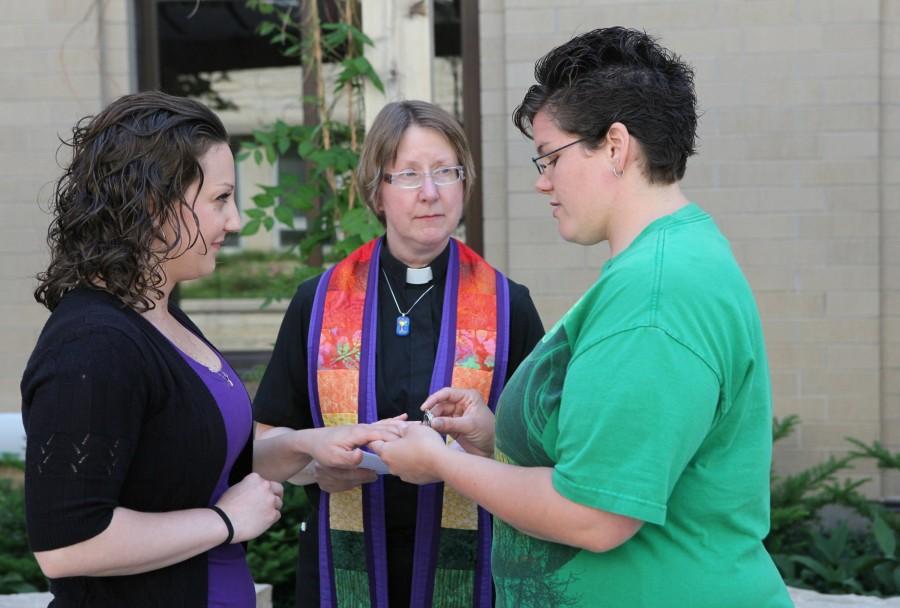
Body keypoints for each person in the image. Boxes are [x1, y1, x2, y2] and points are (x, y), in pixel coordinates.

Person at [371, 27, 793, 608]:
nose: (542, 180)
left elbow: (596, 515)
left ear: (615, 147)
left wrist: (439, 461)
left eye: (550, 156)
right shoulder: (663, 265)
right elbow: (616, 452)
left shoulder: (655, 295)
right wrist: (496, 440)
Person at [21, 90, 401, 608]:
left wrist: (306, 447)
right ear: (155, 205)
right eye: (221, 199)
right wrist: (224, 522)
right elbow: (67, 544)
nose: (237, 220)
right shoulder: (91, 345)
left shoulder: (158, 312)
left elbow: (194, 461)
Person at [252, 100, 544, 608]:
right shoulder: (318, 303)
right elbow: (262, 449)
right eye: (408, 175)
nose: (430, 193)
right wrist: (315, 460)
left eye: (445, 172)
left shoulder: (506, 305)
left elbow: (543, 453)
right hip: (337, 573)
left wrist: (482, 444)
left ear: (465, 183)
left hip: (477, 575)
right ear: (376, 191)